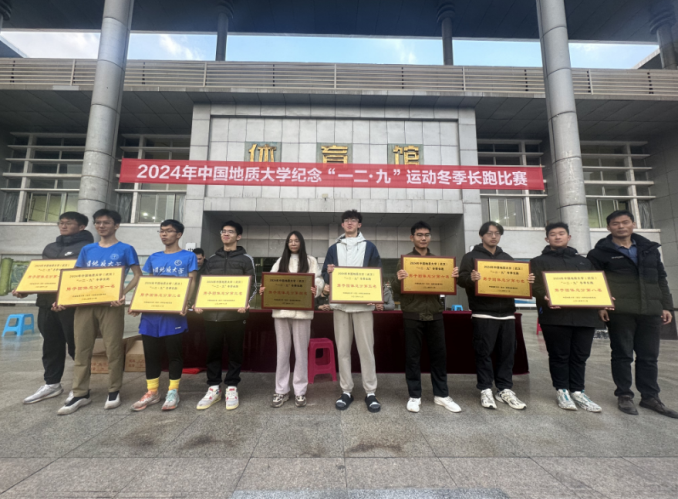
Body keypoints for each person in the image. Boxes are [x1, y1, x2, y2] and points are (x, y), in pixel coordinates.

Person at [587, 210, 677, 418]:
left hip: (650, 310)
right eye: (615, 223)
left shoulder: (649, 249)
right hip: (620, 311)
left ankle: (650, 396)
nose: (621, 226)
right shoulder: (599, 253)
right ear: (608, 227)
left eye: (625, 222)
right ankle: (624, 394)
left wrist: (666, 306)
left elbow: (660, 278)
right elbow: (594, 281)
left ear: (633, 224)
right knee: (622, 354)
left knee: (649, 356)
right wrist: (601, 305)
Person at [56, 209, 142, 415]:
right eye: (98, 223)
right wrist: (64, 299)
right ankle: (80, 393)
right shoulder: (88, 250)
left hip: (111, 306)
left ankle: (114, 390)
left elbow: (138, 275)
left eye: (106, 222)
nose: (101, 226)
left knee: (113, 348)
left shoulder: (125, 249)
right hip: (85, 305)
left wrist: (122, 293)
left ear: (116, 225)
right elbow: (76, 277)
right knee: (82, 349)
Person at [13, 212, 94, 404]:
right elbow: (41, 276)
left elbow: (86, 278)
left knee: (77, 347)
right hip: (46, 304)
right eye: (61, 223)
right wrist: (25, 290)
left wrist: (67, 298)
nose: (63, 226)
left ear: (81, 226)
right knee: (51, 345)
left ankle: (81, 387)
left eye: (68, 223)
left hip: (72, 306)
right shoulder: (51, 248)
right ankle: (52, 383)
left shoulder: (88, 249)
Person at [458, 221, 534, 410]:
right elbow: (460, 279)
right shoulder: (470, 257)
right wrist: (471, 279)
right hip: (483, 313)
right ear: (481, 235)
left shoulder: (507, 258)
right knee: (483, 353)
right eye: (490, 233)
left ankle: (504, 389)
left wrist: (526, 280)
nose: (494, 236)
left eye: (497, 233)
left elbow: (515, 281)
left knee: (507, 353)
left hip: (507, 313)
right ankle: (485, 389)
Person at [531, 222, 605, 412]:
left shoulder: (584, 262)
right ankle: (562, 390)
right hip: (555, 317)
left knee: (580, 355)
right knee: (559, 355)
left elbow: (596, 284)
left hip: (584, 316)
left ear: (569, 237)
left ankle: (578, 391)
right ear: (547, 239)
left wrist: (603, 300)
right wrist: (545, 296)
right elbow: (533, 286)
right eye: (553, 234)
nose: (557, 237)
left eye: (561, 233)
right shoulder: (538, 261)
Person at [129, 220, 198, 412]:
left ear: (179, 234)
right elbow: (147, 283)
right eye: (161, 231)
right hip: (151, 314)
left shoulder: (188, 256)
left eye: (168, 231)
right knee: (151, 354)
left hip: (174, 313)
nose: (164, 234)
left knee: (174, 354)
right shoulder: (154, 257)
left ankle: (173, 391)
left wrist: (186, 302)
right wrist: (137, 303)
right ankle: (152, 392)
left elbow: (192, 281)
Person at [393, 220, 461, 414]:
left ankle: (441, 395)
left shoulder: (439, 262)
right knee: (412, 357)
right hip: (412, 314)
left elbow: (447, 286)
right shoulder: (404, 261)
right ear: (412, 237)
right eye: (419, 235)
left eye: (427, 235)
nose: (423, 238)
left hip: (434, 313)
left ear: (430, 237)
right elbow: (397, 289)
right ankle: (414, 395)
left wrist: (452, 277)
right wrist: (398, 279)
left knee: (439, 356)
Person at [322, 209, 384, 413]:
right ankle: (346, 391)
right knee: (343, 350)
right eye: (346, 220)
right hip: (340, 306)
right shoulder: (334, 248)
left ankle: (370, 392)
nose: (349, 223)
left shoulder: (369, 247)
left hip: (363, 306)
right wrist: (328, 276)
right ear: (342, 225)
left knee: (366, 350)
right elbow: (325, 274)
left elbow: (377, 272)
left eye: (353, 220)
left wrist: (376, 295)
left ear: (359, 224)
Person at [194, 220, 256, 411]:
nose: (226, 234)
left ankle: (231, 387)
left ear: (239, 236)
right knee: (213, 351)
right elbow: (202, 284)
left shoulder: (246, 259)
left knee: (235, 352)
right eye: (223, 231)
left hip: (236, 315)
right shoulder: (212, 259)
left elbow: (252, 285)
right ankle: (213, 387)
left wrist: (246, 302)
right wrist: (198, 301)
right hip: (211, 315)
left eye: (230, 232)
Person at [259, 231, 323, 408]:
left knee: (301, 353)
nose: (293, 243)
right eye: (290, 241)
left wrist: (316, 288)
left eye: (296, 240)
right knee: (282, 352)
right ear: (287, 244)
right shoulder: (281, 261)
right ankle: (281, 390)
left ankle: (300, 391)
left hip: (302, 313)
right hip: (281, 312)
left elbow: (318, 280)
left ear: (301, 242)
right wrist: (264, 289)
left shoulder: (310, 260)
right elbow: (270, 280)